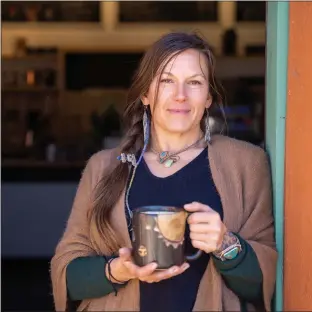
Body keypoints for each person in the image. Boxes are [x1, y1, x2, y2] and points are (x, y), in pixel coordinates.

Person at [51, 32, 277, 312]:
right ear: (146, 94)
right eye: (166, 81)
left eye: (194, 82)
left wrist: (225, 244)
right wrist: (119, 270)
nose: (180, 95)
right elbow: (68, 276)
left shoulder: (247, 164)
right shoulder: (103, 167)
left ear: (208, 97)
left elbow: (264, 284)